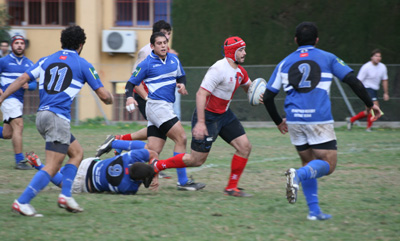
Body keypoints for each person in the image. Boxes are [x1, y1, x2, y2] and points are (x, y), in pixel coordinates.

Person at [262, 22, 383, 220]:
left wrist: (278, 121)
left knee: (309, 163)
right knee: (329, 164)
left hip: (294, 120)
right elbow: (352, 80)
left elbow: (267, 97)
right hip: (318, 119)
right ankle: (297, 177)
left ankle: (314, 212)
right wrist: (370, 104)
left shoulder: (283, 63)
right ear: (317, 40)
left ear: (295, 40)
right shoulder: (328, 58)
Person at [0, 25, 113, 217]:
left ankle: (66, 195)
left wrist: (2, 98)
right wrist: (111, 97)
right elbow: (103, 96)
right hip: (57, 118)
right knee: (53, 166)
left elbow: (21, 80)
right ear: (80, 44)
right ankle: (22, 202)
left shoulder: (46, 59)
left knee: (76, 152)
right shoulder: (83, 64)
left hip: (42, 116)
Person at [147, 36, 254, 197]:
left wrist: (257, 92)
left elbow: (249, 87)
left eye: (244, 49)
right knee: (196, 160)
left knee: (244, 147)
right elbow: (201, 94)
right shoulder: (218, 69)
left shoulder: (240, 71)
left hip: (225, 115)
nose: (244, 53)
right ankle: (158, 166)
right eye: (241, 50)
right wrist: (201, 123)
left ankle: (232, 187)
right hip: (208, 116)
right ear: (232, 52)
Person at [125, 32, 205, 191]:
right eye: (159, 43)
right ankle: (182, 182)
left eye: (165, 42)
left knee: (153, 149)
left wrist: (182, 85)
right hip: (157, 106)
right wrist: (129, 97)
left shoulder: (174, 59)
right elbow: (130, 83)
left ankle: (124, 161)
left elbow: (181, 77)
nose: (163, 45)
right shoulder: (146, 64)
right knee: (181, 138)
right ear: (152, 46)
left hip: (165, 107)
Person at [25, 140, 159, 195]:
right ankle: (39, 166)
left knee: (144, 147)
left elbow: (152, 153)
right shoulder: (128, 188)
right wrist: (152, 173)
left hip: (90, 163)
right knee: (63, 182)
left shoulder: (131, 158)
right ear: (138, 180)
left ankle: (116, 142)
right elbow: (137, 181)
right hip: (85, 183)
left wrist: (151, 166)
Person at [0, 35, 37, 170]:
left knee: (7, 133)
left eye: (22, 43)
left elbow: (34, 84)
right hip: (8, 98)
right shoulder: (3, 61)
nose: (19, 45)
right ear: (12, 45)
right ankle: (19, 161)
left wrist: (30, 86)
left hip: (18, 100)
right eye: (17, 43)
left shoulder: (29, 63)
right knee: (19, 125)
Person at [346, 49, 389, 132]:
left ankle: (351, 120)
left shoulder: (383, 67)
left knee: (368, 111)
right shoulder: (366, 67)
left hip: (375, 90)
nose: (378, 58)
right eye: (376, 56)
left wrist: (386, 93)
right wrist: (359, 92)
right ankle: (368, 128)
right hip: (367, 89)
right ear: (371, 57)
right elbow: (359, 81)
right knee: (375, 107)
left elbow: (385, 80)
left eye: (379, 56)